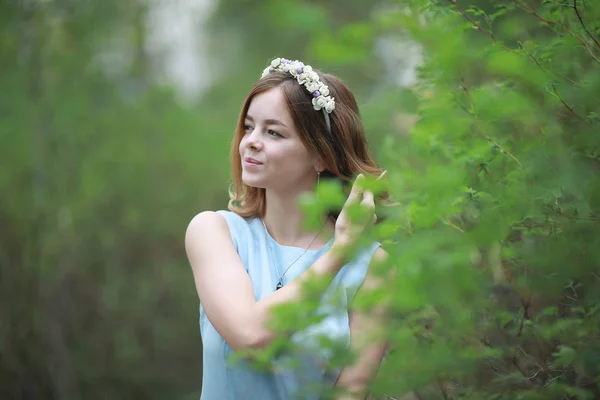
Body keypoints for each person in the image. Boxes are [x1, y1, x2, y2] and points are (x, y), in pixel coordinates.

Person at [185, 57, 389, 400]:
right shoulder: (215, 232)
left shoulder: (373, 267)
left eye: (273, 132)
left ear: (321, 156)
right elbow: (249, 336)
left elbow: (350, 393)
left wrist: (345, 251)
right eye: (249, 127)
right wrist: (338, 251)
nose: (251, 141)